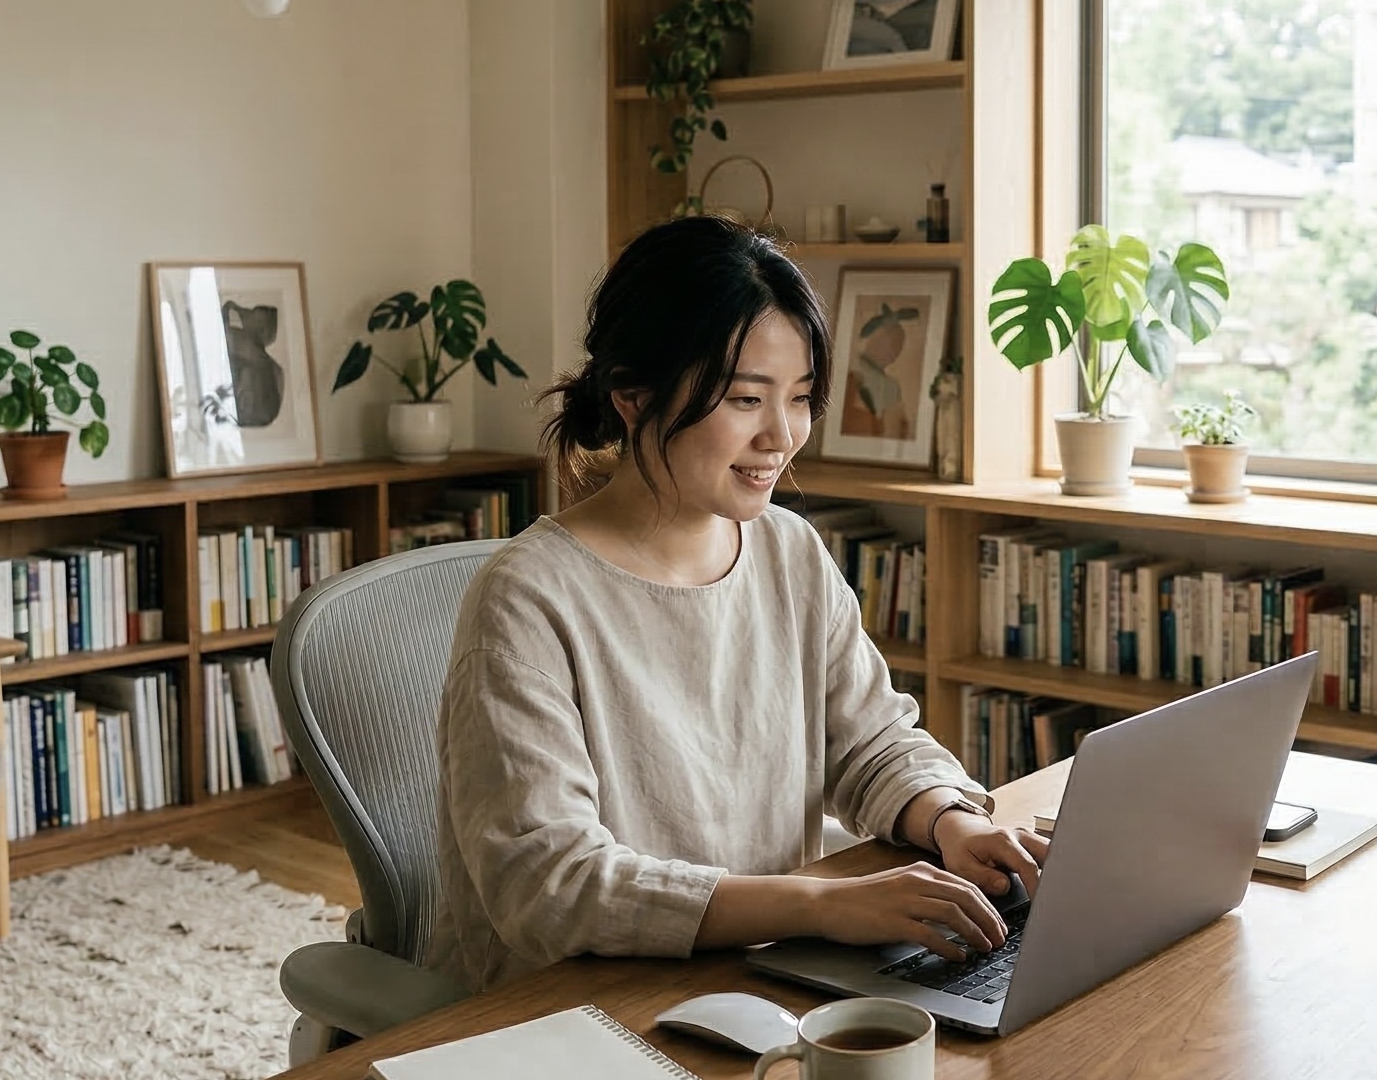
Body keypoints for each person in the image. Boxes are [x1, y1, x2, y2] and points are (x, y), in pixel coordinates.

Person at [423, 216, 1046, 991]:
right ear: (633, 395)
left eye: (802, 398)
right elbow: (551, 887)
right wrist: (820, 905)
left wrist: (953, 821)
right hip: (570, 1006)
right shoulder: (528, 600)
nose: (782, 436)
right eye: (746, 399)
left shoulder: (789, 552)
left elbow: (871, 744)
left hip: (757, 968)